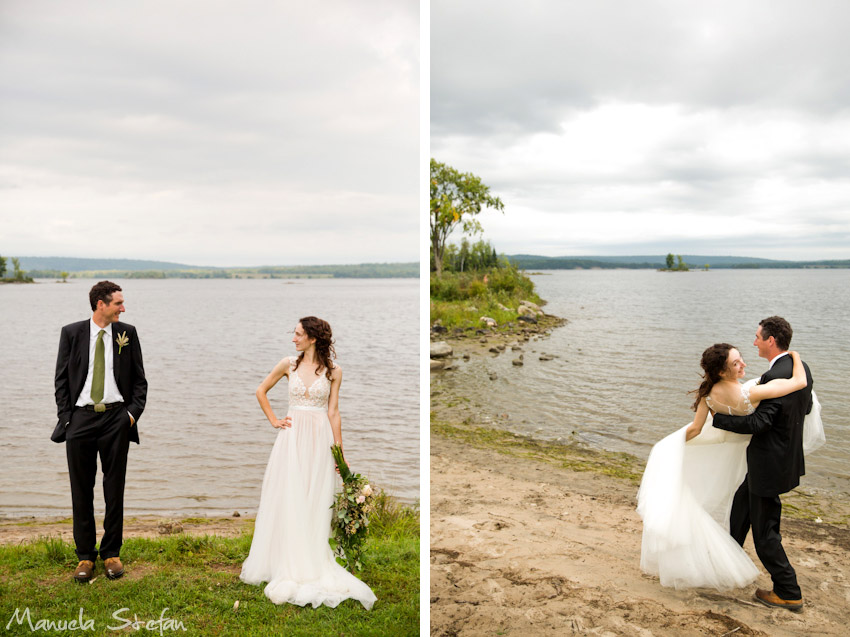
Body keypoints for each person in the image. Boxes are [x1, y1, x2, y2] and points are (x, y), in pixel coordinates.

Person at [637, 338, 822, 593]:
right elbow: (799, 383)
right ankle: (780, 584)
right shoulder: (750, 393)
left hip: (732, 451)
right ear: (723, 371)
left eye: (741, 358)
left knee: (738, 506)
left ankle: (727, 557)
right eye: (736, 363)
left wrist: (671, 445)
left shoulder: (707, 395)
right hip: (750, 456)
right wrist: (796, 356)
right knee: (750, 512)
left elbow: (694, 429)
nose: (743, 364)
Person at [240, 316, 376, 609]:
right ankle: (283, 559)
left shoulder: (334, 371)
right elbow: (260, 391)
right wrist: (274, 420)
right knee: (289, 495)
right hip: (291, 438)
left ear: (313, 338)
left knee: (314, 498)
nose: (294, 338)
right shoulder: (288, 364)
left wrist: (339, 452)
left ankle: (310, 558)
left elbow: (334, 412)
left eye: (298, 334)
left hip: (319, 440)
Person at [712, 316, 816, 612]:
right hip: (782, 458)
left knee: (766, 531)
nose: (754, 341)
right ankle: (726, 561)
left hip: (769, 464)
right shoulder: (800, 368)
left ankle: (788, 591)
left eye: (758, 337)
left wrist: (717, 418)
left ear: (771, 340)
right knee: (740, 507)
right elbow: (806, 407)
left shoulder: (776, 377)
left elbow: (758, 423)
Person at [53, 281, 148, 583]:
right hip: (80, 421)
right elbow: (61, 381)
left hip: (116, 420)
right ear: (101, 305)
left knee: (114, 487)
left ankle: (112, 553)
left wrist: (130, 416)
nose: (124, 307)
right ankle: (84, 556)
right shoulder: (71, 333)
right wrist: (67, 418)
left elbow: (139, 382)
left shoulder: (127, 334)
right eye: (119, 302)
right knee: (81, 490)